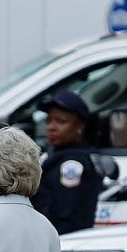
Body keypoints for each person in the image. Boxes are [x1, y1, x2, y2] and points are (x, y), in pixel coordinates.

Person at [30, 89, 102, 235]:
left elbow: (66, 217)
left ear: (79, 126)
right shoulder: (56, 156)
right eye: (49, 120)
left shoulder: (72, 163)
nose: (51, 127)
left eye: (61, 121)